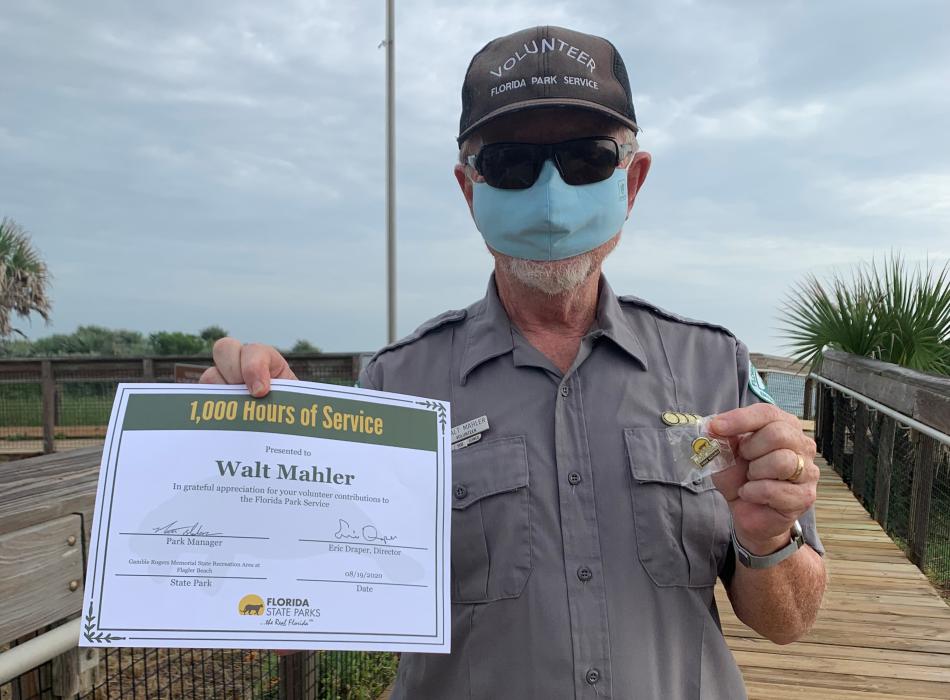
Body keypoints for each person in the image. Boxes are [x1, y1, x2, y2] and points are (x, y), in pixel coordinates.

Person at [202, 25, 826, 700]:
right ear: (471, 191)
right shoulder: (396, 387)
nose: (553, 196)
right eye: (509, 164)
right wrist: (261, 456)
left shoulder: (715, 366)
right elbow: (296, 593)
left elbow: (788, 623)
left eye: (587, 158)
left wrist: (766, 537)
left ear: (633, 180)